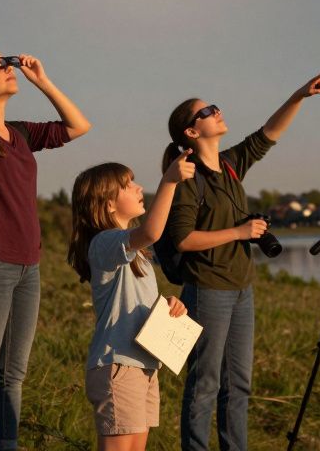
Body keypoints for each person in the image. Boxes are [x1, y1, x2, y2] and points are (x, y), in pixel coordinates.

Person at [162, 74, 320, 451]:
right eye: (207, 111)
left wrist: (299, 95)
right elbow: (183, 239)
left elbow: (269, 133)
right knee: (205, 383)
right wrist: (239, 233)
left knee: (238, 384)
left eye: (215, 106)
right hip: (207, 289)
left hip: (241, 288)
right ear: (191, 131)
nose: (217, 111)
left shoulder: (231, 164)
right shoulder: (186, 177)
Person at [0, 49, 91, 451]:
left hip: (29, 266)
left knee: (13, 374)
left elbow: (78, 126)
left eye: (5, 62)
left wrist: (42, 81)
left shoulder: (22, 133)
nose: (5, 69)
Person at [67, 152, 197, 451]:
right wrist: (169, 181)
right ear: (108, 202)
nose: (139, 188)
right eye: (129, 184)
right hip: (118, 366)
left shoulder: (134, 253)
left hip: (142, 365)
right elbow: (152, 231)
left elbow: (131, 301)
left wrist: (167, 307)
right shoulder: (104, 242)